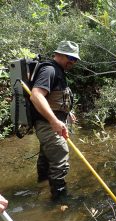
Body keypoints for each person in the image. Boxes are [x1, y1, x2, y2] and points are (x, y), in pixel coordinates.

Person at [30, 41, 80, 201]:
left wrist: (67, 112)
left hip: (52, 123)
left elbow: (56, 98)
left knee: (46, 156)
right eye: (70, 57)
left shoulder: (58, 71)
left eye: (75, 59)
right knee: (61, 157)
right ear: (58, 54)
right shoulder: (49, 70)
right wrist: (53, 120)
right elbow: (36, 95)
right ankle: (60, 200)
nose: (72, 61)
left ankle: (41, 185)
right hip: (47, 124)